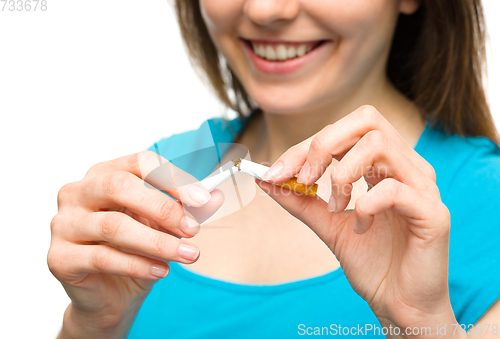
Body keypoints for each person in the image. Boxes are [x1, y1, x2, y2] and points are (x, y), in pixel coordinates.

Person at [48, 0, 500, 338]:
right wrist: (91, 326)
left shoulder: (489, 205)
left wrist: (424, 327)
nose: (265, 9)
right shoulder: (171, 166)